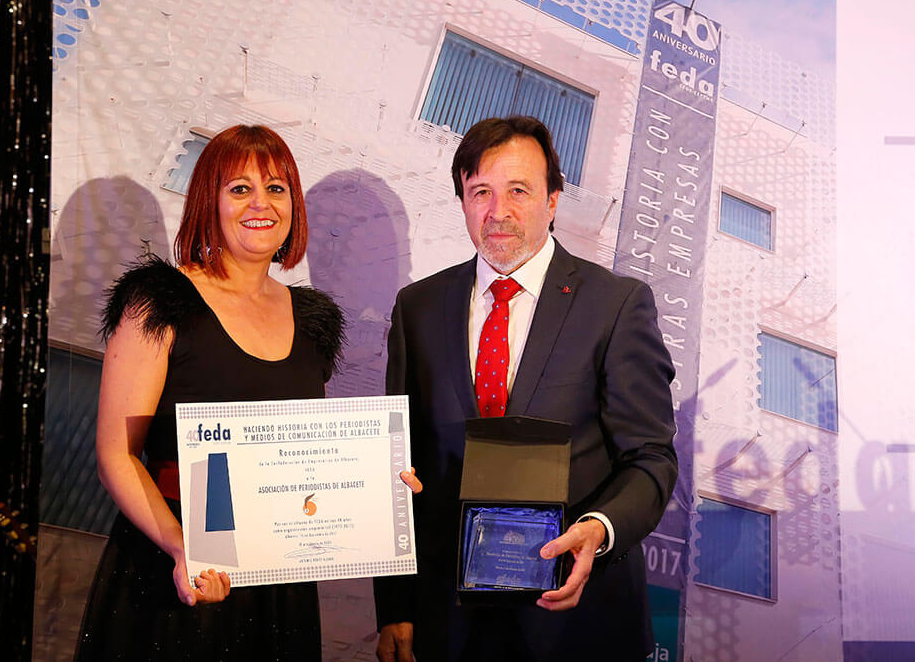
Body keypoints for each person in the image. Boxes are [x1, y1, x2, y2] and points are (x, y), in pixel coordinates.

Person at [75, 124, 419, 661]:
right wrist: (181, 547)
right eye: (240, 188)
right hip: (177, 570)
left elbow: (303, 459)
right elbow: (116, 456)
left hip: (279, 578)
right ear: (208, 202)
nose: (261, 203)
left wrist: (376, 486)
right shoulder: (159, 300)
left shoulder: (313, 320)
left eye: (276, 188)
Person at [373, 116, 677, 662]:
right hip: (448, 621)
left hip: (576, 618)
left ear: (553, 200)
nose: (498, 211)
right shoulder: (417, 307)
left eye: (519, 190)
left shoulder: (616, 305)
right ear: (463, 201)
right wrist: (396, 606)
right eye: (480, 192)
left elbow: (651, 458)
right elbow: (398, 463)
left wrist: (599, 528)